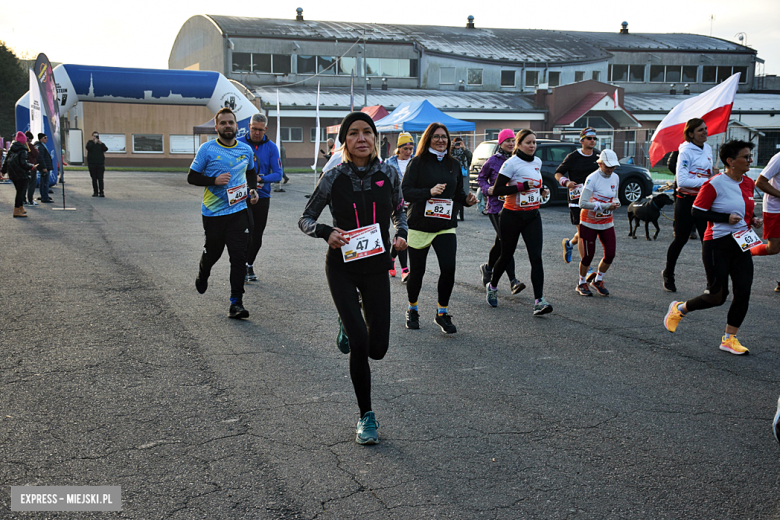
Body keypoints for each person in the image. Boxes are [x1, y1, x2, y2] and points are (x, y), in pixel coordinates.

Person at [298, 111, 408, 445]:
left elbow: (399, 209)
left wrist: (401, 232)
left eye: (367, 132)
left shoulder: (388, 173)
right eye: (354, 133)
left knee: (378, 349)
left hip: (377, 267)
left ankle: (349, 324)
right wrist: (325, 232)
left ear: (376, 138)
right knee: (360, 344)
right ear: (344, 141)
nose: (361, 138)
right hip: (342, 268)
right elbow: (305, 218)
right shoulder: (333, 176)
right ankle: (366, 416)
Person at [663, 140, 760, 355]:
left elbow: (744, 208)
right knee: (717, 296)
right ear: (730, 161)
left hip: (742, 242)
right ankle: (680, 309)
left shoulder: (748, 183)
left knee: (743, 292)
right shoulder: (714, 183)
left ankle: (729, 338)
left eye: (750, 156)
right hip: (717, 243)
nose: (750, 161)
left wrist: (752, 219)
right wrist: (725, 217)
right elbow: (697, 211)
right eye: (746, 157)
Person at [402, 123, 478, 333]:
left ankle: (442, 313)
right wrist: (429, 191)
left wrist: (468, 200)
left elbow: (457, 194)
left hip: (445, 225)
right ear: (428, 139)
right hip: (420, 225)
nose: (441, 140)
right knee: (417, 271)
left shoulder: (453, 164)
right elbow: (406, 192)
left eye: (444, 137)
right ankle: (412, 308)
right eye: (436, 137)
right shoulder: (417, 162)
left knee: (449, 268)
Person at [187, 107, 259, 319]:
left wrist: (252, 190)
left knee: (238, 257)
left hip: (239, 211)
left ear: (237, 126)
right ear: (216, 127)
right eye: (223, 123)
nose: (228, 126)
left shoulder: (245, 150)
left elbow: (251, 172)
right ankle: (204, 271)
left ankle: (236, 303)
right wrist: (213, 180)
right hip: (213, 213)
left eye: (231, 122)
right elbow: (191, 177)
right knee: (214, 253)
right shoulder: (207, 149)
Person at [485, 129, 552, 315]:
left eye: (534, 142)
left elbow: (535, 184)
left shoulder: (537, 162)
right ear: (519, 145)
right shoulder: (511, 163)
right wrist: (522, 187)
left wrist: (541, 191)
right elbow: (497, 189)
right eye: (528, 142)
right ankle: (492, 286)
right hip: (511, 215)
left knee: (536, 258)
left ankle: (539, 301)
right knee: (506, 255)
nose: (532, 146)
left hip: (532, 216)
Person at [662, 118, 715, 292]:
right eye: (701, 130)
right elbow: (683, 181)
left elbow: (708, 173)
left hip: (704, 201)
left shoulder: (708, 148)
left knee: (707, 241)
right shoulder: (684, 151)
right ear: (691, 134)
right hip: (685, 200)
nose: (705, 132)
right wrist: (708, 181)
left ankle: (712, 283)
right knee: (680, 239)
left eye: (706, 129)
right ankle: (668, 274)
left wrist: (713, 176)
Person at [477, 129, 524, 295]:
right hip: (496, 207)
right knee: (507, 243)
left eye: (513, 140)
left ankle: (488, 268)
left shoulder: (519, 160)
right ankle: (513, 280)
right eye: (507, 141)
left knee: (500, 243)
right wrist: (487, 189)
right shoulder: (493, 160)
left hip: (514, 206)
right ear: (500, 143)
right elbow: (481, 178)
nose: (511, 143)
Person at [237, 113, 283, 282]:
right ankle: (240, 266)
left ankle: (249, 264)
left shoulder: (271, 147)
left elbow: (278, 174)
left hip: (262, 196)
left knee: (257, 234)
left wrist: (261, 179)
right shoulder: (239, 144)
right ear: (249, 127)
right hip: (241, 196)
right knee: (244, 232)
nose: (257, 133)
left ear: (266, 129)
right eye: (254, 129)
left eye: (260, 130)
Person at [575, 150, 621, 297]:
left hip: (607, 222)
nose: (610, 169)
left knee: (611, 254)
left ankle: (598, 280)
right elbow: (582, 203)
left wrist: (616, 203)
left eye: (613, 166)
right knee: (588, 256)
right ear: (600, 164)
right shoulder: (592, 178)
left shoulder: (615, 177)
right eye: (607, 166)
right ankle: (581, 282)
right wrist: (603, 206)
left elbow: (615, 197)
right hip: (589, 222)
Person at [555, 127, 600, 265]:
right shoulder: (573, 157)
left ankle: (569, 243)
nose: (592, 141)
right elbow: (558, 173)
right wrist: (566, 182)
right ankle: (586, 267)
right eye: (589, 138)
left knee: (590, 232)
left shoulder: (598, 156)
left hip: (594, 199)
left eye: (594, 138)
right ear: (582, 140)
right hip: (577, 199)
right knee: (583, 234)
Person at [384, 132, 414, 282]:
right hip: (395, 204)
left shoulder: (416, 162)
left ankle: (391, 258)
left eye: (411, 148)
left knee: (403, 234)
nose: (408, 152)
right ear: (399, 148)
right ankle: (405, 270)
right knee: (403, 233)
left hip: (413, 204)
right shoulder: (389, 163)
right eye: (405, 148)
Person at [751, 151, 780, 291]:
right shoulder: (779, 158)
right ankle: (745, 252)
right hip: (775, 209)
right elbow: (761, 182)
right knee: (773, 248)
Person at [6, 132, 33, 218]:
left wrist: (3, 171)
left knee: (19, 191)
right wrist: (31, 166)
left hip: (13, 173)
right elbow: (23, 163)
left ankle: (20, 207)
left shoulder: (11, 148)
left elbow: (6, 161)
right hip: (21, 173)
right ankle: (16, 210)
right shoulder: (23, 150)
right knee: (20, 192)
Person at [450, 136, 473, 221]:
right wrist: (450, 147)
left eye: (459, 143)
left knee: (462, 193)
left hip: (463, 174)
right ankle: (454, 213)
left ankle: (461, 214)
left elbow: (470, 158)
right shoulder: (451, 151)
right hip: (453, 173)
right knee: (454, 193)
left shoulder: (464, 152)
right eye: (456, 143)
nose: (457, 145)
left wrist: (464, 149)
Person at [86, 131, 108, 197]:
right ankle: (95, 192)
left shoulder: (100, 144)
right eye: (94, 136)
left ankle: (101, 192)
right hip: (92, 163)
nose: (95, 137)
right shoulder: (90, 143)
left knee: (100, 178)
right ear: (92, 136)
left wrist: (100, 143)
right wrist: (94, 143)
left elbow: (105, 149)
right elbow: (88, 148)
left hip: (100, 163)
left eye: (97, 136)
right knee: (94, 178)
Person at [36, 134, 54, 203]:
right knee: (45, 182)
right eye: (45, 138)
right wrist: (44, 167)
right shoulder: (40, 147)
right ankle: (45, 197)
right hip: (45, 167)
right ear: (40, 139)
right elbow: (41, 158)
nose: (46, 139)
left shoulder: (42, 146)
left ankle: (44, 195)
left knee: (43, 182)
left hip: (46, 166)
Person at [24, 131, 39, 206]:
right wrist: (36, 149)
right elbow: (36, 154)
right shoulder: (29, 145)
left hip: (23, 167)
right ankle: (30, 199)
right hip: (31, 166)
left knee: (24, 185)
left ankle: (23, 199)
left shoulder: (21, 145)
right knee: (32, 184)